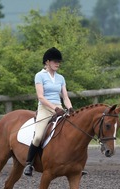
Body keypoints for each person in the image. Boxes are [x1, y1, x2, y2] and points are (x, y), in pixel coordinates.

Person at [24, 47, 82, 176]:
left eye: (59, 62)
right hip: (45, 109)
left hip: (60, 108)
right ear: (47, 62)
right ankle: (29, 164)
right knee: (38, 136)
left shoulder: (61, 78)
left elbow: (65, 96)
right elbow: (41, 97)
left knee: (73, 133)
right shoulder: (39, 76)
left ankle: (75, 164)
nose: (58, 64)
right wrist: (55, 108)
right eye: (55, 61)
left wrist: (70, 108)